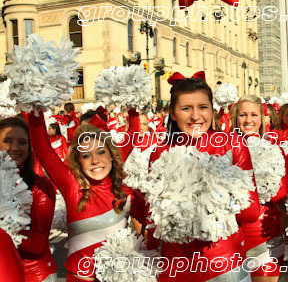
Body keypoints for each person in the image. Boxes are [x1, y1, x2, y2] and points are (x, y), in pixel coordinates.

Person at [147, 74, 260, 281]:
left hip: (225, 266)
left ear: (212, 110)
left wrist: (211, 195)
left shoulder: (233, 144)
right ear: (172, 113)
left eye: (203, 107)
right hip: (177, 266)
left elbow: (252, 212)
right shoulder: (159, 153)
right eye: (186, 108)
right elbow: (153, 217)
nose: (195, 116)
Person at [27, 111, 147, 282]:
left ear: (113, 156)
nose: (95, 160)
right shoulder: (72, 186)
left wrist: (133, 108)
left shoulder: (125, 191)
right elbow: (43, 149)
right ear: (78, 161)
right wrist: (34, 106)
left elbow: (133, 135)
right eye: (86, 155)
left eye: (100, 152)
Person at [232, 95, 288, 282]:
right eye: (243, 115)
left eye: (254, 114)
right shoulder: (223, 151)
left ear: (262, 119)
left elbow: (281, 193)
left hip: (265, 234)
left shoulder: (274, 150)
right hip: (229, 238)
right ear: (235, 119)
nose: (248, 120)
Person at [0, 117, 57, 282]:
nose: (15, 148)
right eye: (7, 141)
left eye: (22, 142)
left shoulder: (40, 186)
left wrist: (6, 228)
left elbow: (38, 244)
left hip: (33, 276)